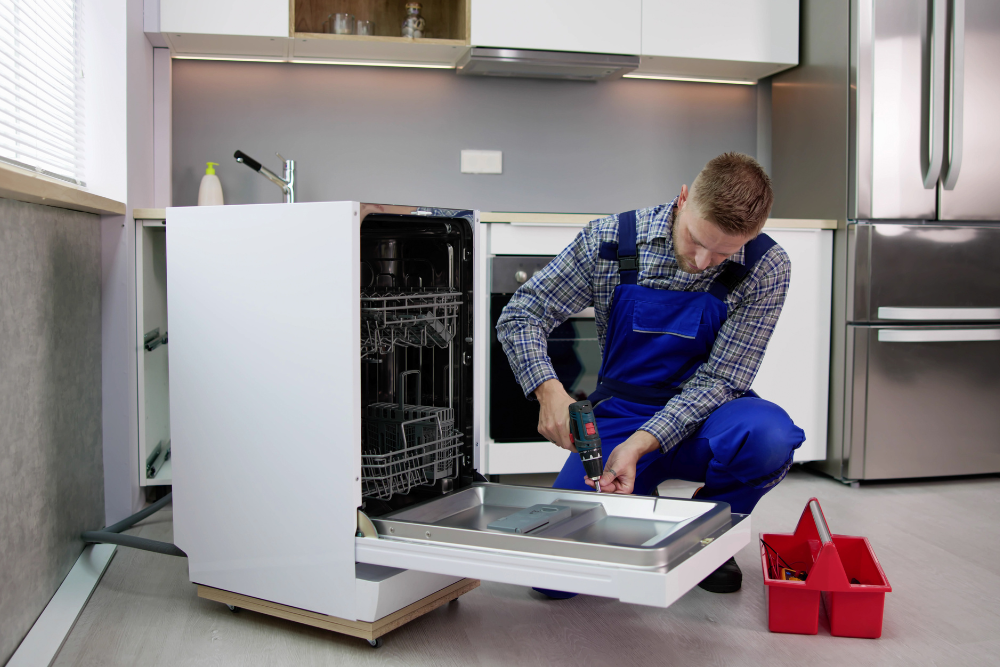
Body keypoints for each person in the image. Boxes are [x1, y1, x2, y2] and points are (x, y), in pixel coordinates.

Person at [496, 152, 805, 595]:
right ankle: (641, 510)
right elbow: (522, 313)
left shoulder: (767, 267)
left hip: (708, 417)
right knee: (553, 584)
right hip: (620, 415)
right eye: (697, 240)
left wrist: (642, 445)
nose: (702, 261)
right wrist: (549, 391)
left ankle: (708, 527)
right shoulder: (607, 240)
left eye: (724, 252)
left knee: (769, 438)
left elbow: (721, 380)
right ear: (682, 200)